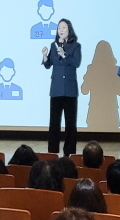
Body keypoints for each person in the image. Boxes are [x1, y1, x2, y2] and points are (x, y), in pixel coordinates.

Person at [42, 18, 82, 156]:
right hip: (56, 89)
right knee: (54, 123)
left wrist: (64, 54)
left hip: (70, 90)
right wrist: (45, 56)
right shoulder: (53, 45)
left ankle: (69, 152)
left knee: (70, 124)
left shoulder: (76, 46)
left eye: (64, 27)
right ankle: (52, 152)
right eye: (59, 28)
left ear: (69, 30)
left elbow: (76, 63)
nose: (61, 30)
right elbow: (48, 65)